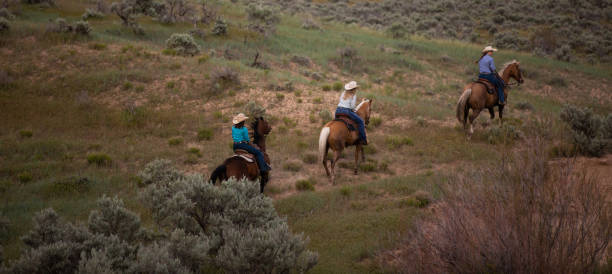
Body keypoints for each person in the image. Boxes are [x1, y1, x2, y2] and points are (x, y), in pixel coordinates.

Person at [335, 81, 368, 145]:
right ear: (354, 89)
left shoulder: (343, 93)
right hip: (346, 111)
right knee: (361, 121)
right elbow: (353, 107)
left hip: (338, 110)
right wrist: (362, 102)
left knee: (335, 121)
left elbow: (340, 101)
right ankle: (363, 139)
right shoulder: (353, 95)